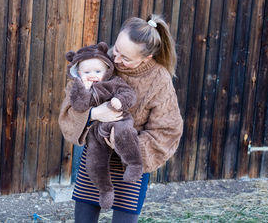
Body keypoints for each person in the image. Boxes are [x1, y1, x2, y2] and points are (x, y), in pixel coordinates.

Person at [58, 14, 184, 223]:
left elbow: (168, 131)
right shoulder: (100, 60)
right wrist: (94, 114)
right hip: (96, 158)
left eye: (126, 58)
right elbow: (69, 106)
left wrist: (126, 144)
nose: (115, 60)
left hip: (130, 165)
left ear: (147, 58)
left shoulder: (159, 80)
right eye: (116, 49)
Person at [65, 42, 142, 209]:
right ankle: (104, 190)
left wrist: (119, 100)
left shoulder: (114, 82)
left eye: (97, 71)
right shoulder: (79, 87)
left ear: (106, 70)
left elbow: (129, 94)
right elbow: (79, 107)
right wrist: (83, 89)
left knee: (125, 135)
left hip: (118, 121)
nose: (92, 75)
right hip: (96, 132)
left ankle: (134, 164)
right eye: (87, 72)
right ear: (78, 72)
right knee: (94, 162)